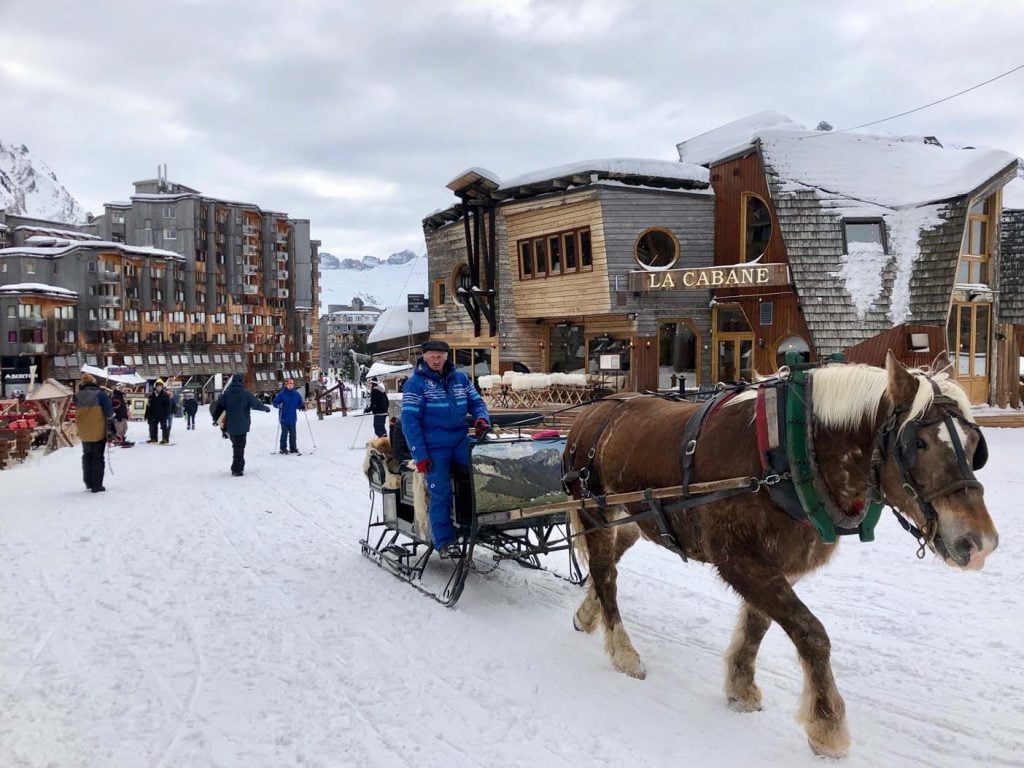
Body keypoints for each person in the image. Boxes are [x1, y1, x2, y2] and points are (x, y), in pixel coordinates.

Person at [401, 339, 490, 559]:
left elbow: (477, 403)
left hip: (460, 439)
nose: (436, 359)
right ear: (424, 356)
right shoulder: (415, 384)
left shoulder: (460, 379)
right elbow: (409, 421)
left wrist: (481, 418)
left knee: (483, 469)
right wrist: (419, 455)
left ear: (447, 357)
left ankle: (480, 521)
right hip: (434, 446)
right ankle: (445, 541)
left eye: (440, 355)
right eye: (432, 355)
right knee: (439, 490)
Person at [210, 372, 271, 476]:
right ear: (241, 381)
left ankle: (237, 467)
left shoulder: (227, 394)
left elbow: (219, 407)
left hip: (230, 425)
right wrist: (266, 408)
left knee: (237, 446)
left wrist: (216, 420)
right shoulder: (245, 393)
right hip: (242, 425)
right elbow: (256, 404)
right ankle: (237, 469)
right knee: (239, 447)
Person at [75, 373, 113, 493]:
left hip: (84, 431)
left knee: (87, 456)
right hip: (98, 430)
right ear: (94, 382)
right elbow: (109, 412)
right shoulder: (101, 395)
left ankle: (89, 482)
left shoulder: (77, 396)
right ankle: (97, 485)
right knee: (97, 457)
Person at [272, 377, 305, 454]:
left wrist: (302, 406)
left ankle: (293, 448)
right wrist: (279, 405)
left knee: (293, 434)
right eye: (289, 385)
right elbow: (274, 402)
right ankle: (283, 448)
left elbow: (299, 403)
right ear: (286, 385)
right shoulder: (282, 394)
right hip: (284, 418)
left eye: (292, 384)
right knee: (284, 434)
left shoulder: (296, 394)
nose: (291, 386)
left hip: (293, 418)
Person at [144, 379, 172, 444]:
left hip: (162, 414)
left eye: (160, 387)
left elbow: (168, 405)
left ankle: (165, 439)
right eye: (157, 387)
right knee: (153, 427)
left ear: (162, 388)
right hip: (153, 414)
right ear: (155, 387)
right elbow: (148, 405)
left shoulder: (165, 395)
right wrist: (146, 414)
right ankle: (153, 439)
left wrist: (167, 413)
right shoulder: (151, 396)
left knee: (164, 427)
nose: (159, 388)